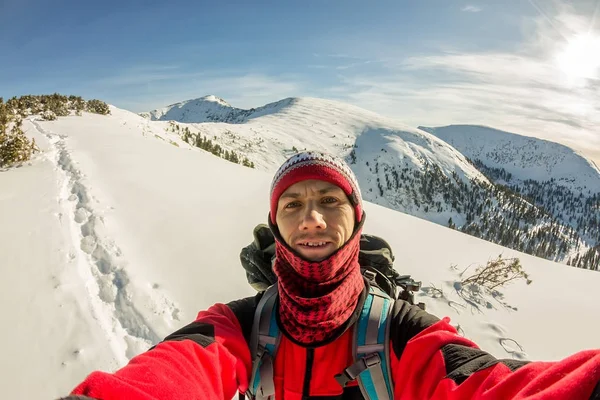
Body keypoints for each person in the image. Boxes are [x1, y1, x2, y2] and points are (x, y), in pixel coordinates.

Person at [60, 151, 600, 400]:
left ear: (357, 218)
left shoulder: (406, 334)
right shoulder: (237, 326)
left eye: (327, 201)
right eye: (291, 205)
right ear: (275, 225)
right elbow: (174, 371)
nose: (311, 219)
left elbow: (496, 387)